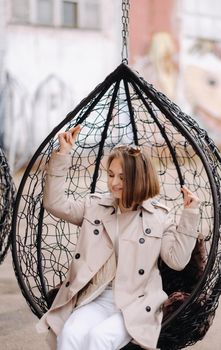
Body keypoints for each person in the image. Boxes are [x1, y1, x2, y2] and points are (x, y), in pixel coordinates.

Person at [37, 125, 200, 350]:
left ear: (139, 178)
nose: (114, 183)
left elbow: (177, 260)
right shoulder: (95, 206)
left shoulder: (159, 217)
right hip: (97, 295)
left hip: (135, 301)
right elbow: (54, 203)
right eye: (111, 175)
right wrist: (63, 154)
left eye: (123, 177)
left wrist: (189, 215)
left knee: (99, 338)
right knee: (71, 334)